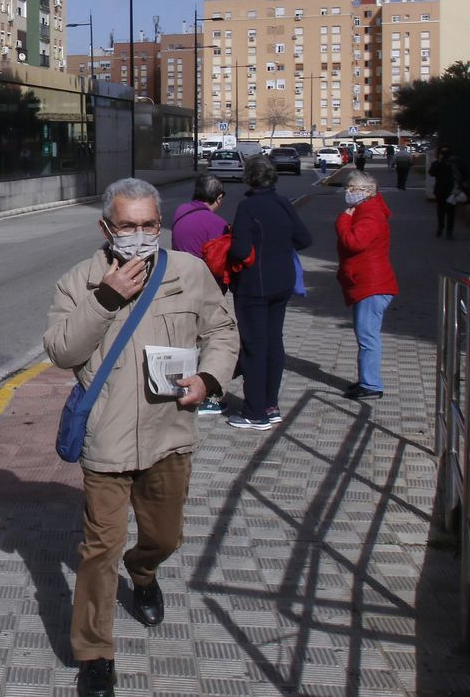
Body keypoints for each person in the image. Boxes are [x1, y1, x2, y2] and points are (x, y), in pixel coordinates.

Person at [43, 178, 239, 697]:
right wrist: (105, 298)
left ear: (160, 224)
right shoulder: (79, 281)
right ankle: (95, 655)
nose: (139, 235)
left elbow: (222, 330)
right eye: (127, 226)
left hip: (168, 434)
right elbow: (62, 352)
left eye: (149, 225)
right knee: (98, 551)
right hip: (106, 441)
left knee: (165, 536)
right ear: (106, 227)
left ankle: (145, 571)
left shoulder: (188, 272)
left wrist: (211, 378)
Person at [226, 156, 313, 430]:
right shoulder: (283, 203)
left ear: (248, 177)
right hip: (282, 283)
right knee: (274, 343)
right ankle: (271, 405)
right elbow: (305, 239)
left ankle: (254, 412)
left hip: (254, 286)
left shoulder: (247, 207)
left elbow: (240, 250)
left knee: (254, 346)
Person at [171, 174, 231, 415]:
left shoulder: (180, 212)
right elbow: (221, 261)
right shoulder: (217, 224)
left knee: (186, 340)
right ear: (219, 197)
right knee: (208, 342)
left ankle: (180, 388)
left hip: (178, 285)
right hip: (205, 289)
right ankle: (205, 397)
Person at [336, 171, 397, 401]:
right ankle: (366, 379)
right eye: (348, 188)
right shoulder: (365, 211)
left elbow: (354, 242)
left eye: (353, 189)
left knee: (367, 335)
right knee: (365, 333)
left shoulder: (370, 214)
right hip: (366, 282)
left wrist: (343, 220)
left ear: (369, 192)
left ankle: (371, 384)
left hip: (372, 284)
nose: (348, 192)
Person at [428, 145, 461, 239]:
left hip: (451, 190)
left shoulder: (455, 162)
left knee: (450, 211)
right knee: (442, 210)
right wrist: (440, 162)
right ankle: (441, 227)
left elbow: (462, 173)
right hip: (441, 190)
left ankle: (448, 230)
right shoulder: (438, 163)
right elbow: (431, 173)